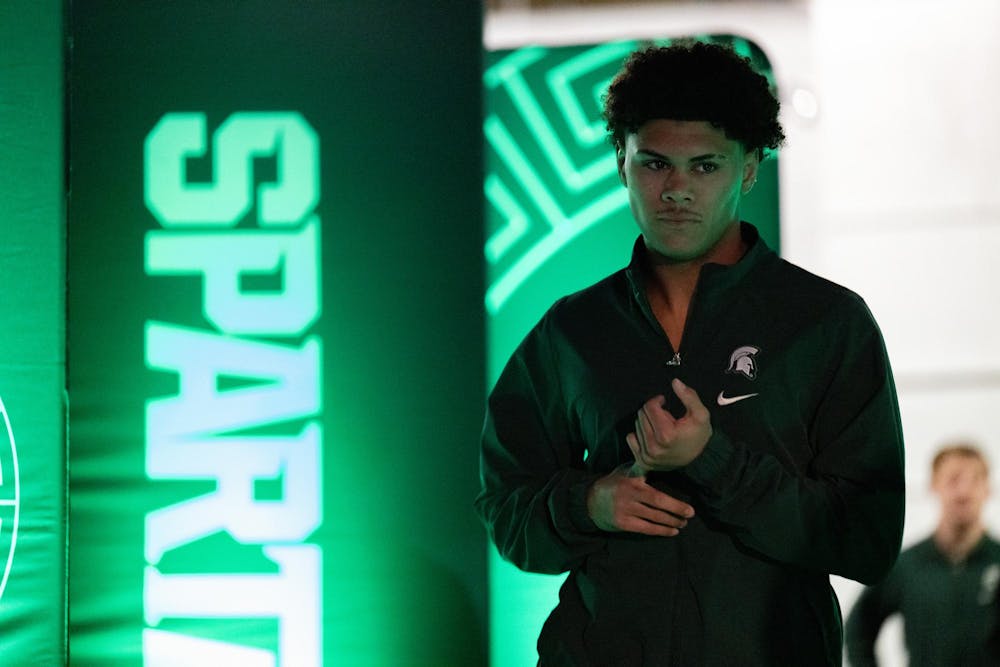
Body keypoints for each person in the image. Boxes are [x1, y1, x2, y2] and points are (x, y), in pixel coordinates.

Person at [474, 40, 907, 666]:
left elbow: (867, 537)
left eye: (705, 166)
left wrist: (714, 460)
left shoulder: (827, 323)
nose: (676, 189)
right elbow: (505, 505)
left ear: (751, 167)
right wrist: (590, 503)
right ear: (620, 161)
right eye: (654, 164)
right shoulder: (573, 331)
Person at [845, 443, 1000, 667]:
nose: (964, 492)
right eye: (953, 479)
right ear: (933, 486)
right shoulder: (907, 565)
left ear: (988, 489)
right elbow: (859, 627)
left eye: (975, 479)